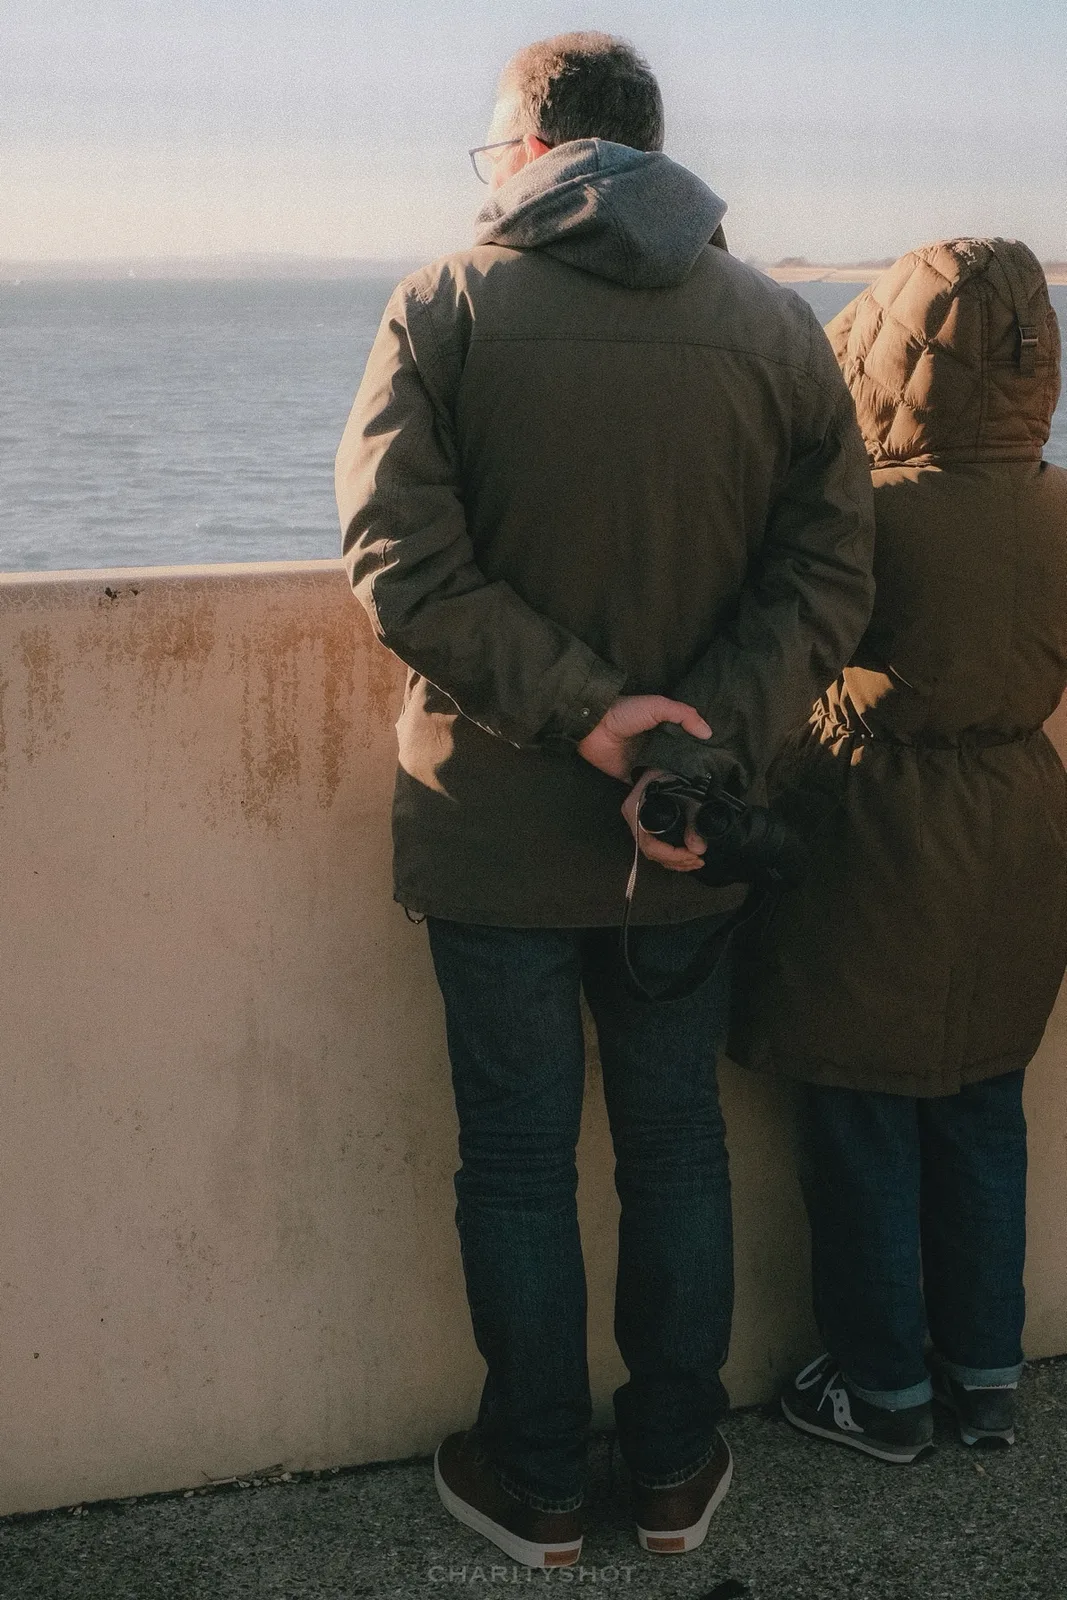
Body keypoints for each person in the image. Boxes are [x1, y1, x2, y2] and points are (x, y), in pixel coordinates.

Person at [335, 31, 875, 1566]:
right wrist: (688, 746)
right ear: (645, 145)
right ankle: (669, 1469)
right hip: (691, 831)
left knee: (514, 1155)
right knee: (676, 1143)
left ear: (524, 147)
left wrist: (584, 718)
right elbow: (830, 572)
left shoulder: (441, 305)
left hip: (491, 828)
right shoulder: (776, 329)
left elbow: (399, 561)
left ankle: (536, 1482)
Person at [731, 238, 1067, 1463]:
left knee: (861, 1119)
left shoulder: (862, 515)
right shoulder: (1057, 504)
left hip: (876, 833)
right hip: (1022, 824)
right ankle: (982, 1376)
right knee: (982, 1105)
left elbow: (779, 653)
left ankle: (880, 1391)